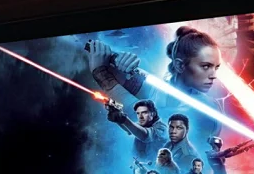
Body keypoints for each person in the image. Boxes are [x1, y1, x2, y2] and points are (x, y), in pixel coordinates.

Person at [87, 26, 223, 141]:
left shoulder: (203, 111)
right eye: (206, 66)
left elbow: (143, 125)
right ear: (180, 65)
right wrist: (115, 59)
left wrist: (100, 73)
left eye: (216, 67)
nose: (214, 75)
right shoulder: (161, 90)